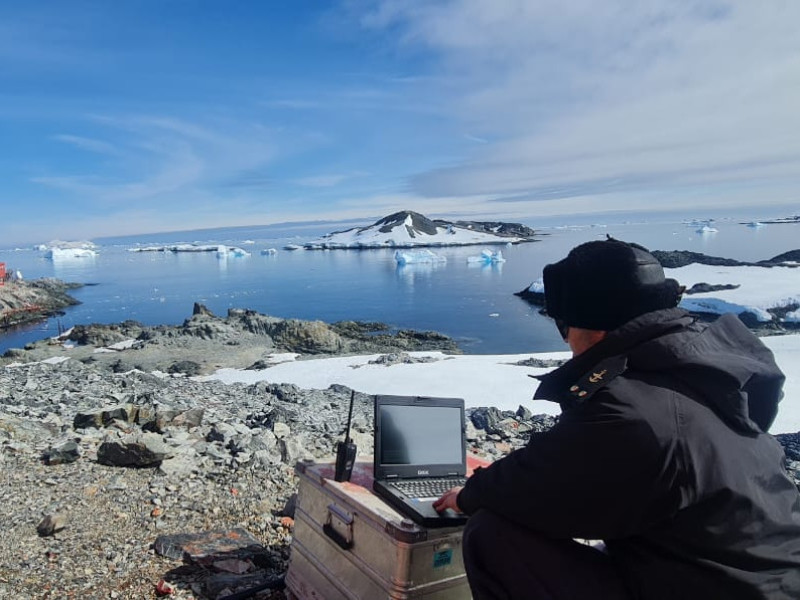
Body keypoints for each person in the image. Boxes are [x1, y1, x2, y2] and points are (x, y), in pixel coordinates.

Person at [434, 237, 800, 599]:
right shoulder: (707, 372)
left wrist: (468, 495)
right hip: (766, 580)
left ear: (594, 328)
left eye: (564, 325)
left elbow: (539, 484)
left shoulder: (631, 410)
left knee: (491, 534)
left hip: (713, 587)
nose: (566, 341)